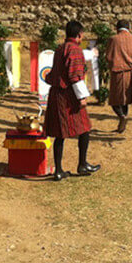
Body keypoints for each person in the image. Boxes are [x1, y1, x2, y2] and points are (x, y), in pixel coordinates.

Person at [43, 20, 101, 181]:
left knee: (60, 133)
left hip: (56, 94)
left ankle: (59, 170)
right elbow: (74, 75)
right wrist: (81, 97)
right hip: (68, 95)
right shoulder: (75, 50)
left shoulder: (60, 48)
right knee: (84, 127)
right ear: (79, 34)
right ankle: (82, 164)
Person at [105, 19, 132, 134]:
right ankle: (123, 119)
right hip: (131, 73)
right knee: (126, 99)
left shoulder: (113, 39)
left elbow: (108, 55)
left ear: (117, 28)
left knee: (114, 100)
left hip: (118, 73)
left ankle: (122, 116)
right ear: (129, 28)